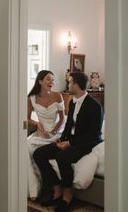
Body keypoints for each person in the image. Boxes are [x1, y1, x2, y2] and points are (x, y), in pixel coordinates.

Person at [33, 72, 104, 212]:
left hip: (88, 142)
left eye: (70, 82)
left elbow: (93, 134)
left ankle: (68, 195)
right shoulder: (72, 102)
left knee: (62, 157)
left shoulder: (94, 105)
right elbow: (68, 124)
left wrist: (69, 144)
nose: (68, 84)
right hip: (71, 140)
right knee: (39, 154)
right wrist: (63, 138)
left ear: (76, 85)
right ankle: (57, 189)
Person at [27, 70, 65, 201]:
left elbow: (61, 119)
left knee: (37, 152)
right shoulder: (31, 98)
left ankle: (49, 187)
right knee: (26, 147)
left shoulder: (57, 96)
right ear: (40, 81)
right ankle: (34, 188)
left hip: (56, 132)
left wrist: (53, 132)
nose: (52, 82)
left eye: (53, 80)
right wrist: (37, 123)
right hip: (41, 133)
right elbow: (26, 119)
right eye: (48, 79)